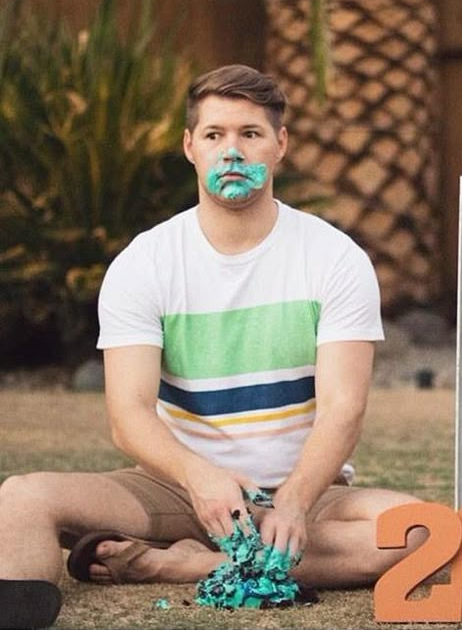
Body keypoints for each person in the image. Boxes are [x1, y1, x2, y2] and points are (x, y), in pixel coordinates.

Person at [0, 64, 426, 629]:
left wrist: (295, 500)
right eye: (214, 135)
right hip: (172, 489)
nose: (232, 151)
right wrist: (200, 479)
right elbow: (128, 416)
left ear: (280, 145)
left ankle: (176, 566)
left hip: (304, 493)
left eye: (250, 134)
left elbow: (345, 408)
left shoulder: (334, 256)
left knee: (422, 531)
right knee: (23, 496)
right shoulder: (144, 263)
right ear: (189, 147)